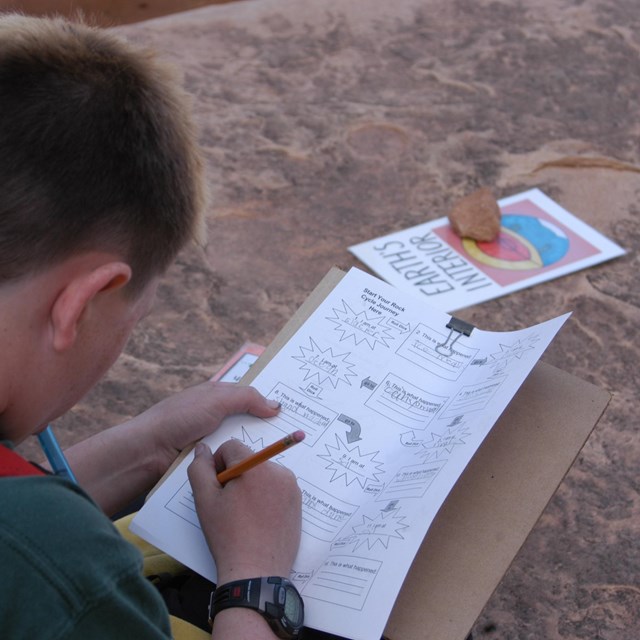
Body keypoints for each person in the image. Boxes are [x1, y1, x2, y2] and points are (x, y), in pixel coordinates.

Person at [0, 13, 302, 640]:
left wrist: (143, 445)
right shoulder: (59, 565)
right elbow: (32, 550)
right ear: (80, 304)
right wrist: (256, 578)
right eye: (134, 315)